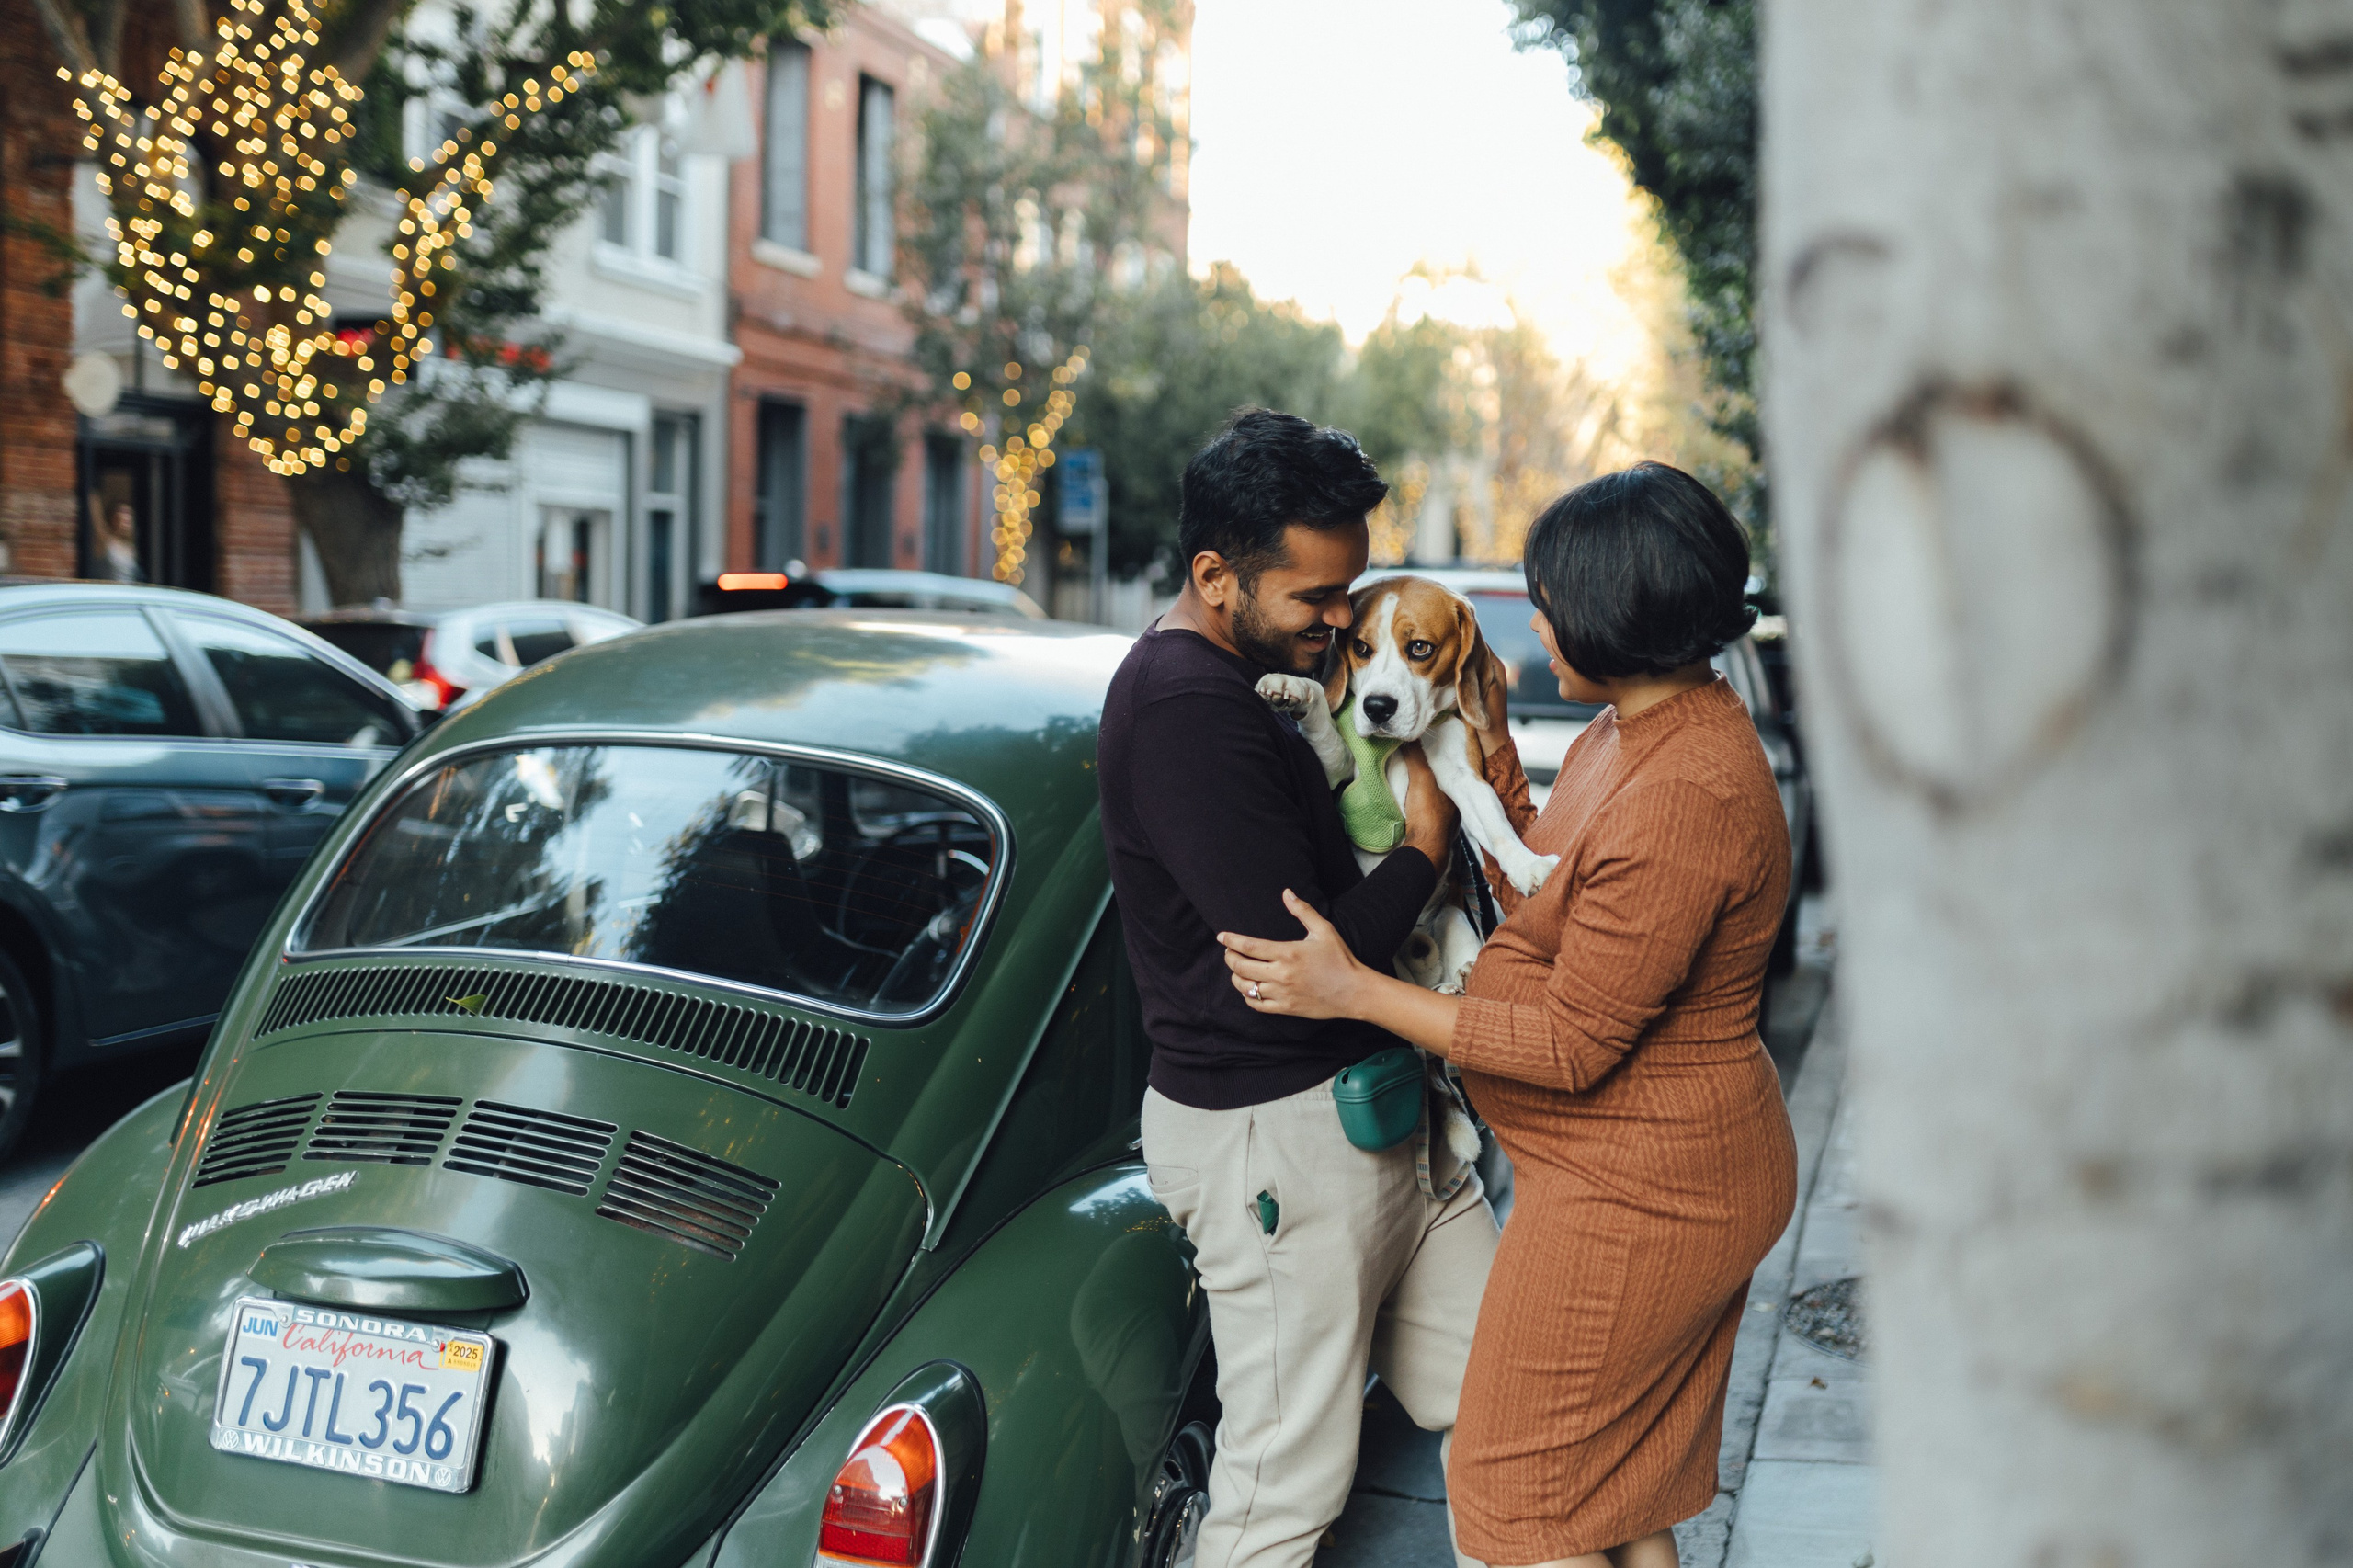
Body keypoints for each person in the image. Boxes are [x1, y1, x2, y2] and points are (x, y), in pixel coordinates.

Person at [1219, 461, 1799, 1568]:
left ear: (1615, 613)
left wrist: (1355, 988)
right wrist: (1474, 748)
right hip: (1638, 1168)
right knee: (1608, 1495)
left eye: (1549, 597)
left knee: (1512, 1493)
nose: (1529, 620)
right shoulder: (1635, 732)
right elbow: (1557, 868)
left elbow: (1571, 1045)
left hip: (1648, 1189)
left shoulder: (1687, 790)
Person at [1097, 408, 1510, 1568]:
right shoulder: (1187, 707)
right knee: (1281, 1497)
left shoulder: (1265, 683)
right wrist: (1428, 844)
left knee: (1520, 1410)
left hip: (1387, 1122)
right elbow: (1309, 966)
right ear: (1214, 574)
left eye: (1350, 590)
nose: (1341, 621)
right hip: (1271, 1141)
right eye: (1315, 598)